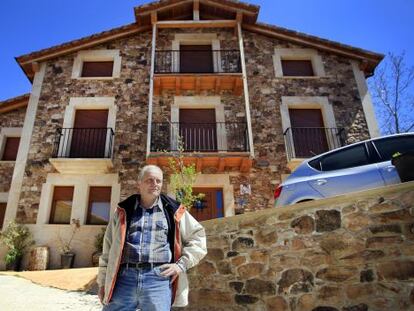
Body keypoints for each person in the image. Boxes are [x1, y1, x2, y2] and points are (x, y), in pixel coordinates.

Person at [97, 165, 207, 310]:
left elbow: (198, 237)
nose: (154, 184)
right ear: (139, 183)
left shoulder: (174, 210)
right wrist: (103, 282)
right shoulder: (123, 211)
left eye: (158, 181)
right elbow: (108, 248)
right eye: (149, 180)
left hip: (158, 280)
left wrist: (180, 265)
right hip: (124, 279)